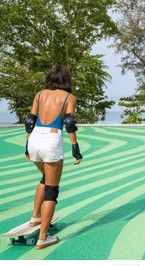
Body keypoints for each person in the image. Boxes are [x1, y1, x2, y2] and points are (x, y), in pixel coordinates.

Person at [24, 64, 83, 249]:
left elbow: (30, 121)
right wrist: (75, 146)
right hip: (51, 139)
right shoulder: (68, 97)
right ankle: (43, 238)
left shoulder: (39, 95)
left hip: (34, 139)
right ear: (67, 80)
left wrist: (28, 145)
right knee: (52, 189)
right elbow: (70, 123)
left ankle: (35, 218)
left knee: (45, 178)